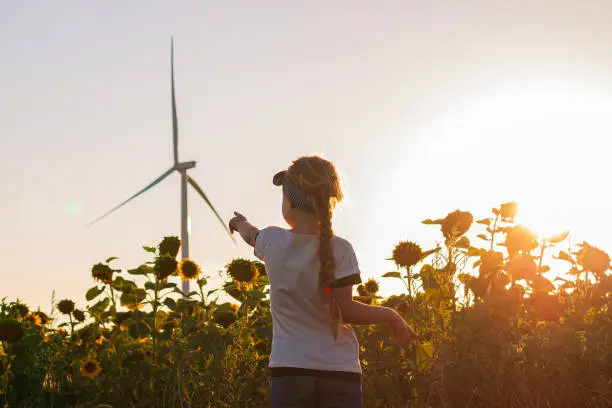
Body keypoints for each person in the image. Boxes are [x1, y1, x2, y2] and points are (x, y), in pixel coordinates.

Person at [229, 155, 416, 408]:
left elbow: (251, 235)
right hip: (339, 374)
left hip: (290, 372)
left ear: (290, 205)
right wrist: (390, 314)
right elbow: (347, 310)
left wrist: (239, 223)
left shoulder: (272, 240)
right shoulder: (341, 249)